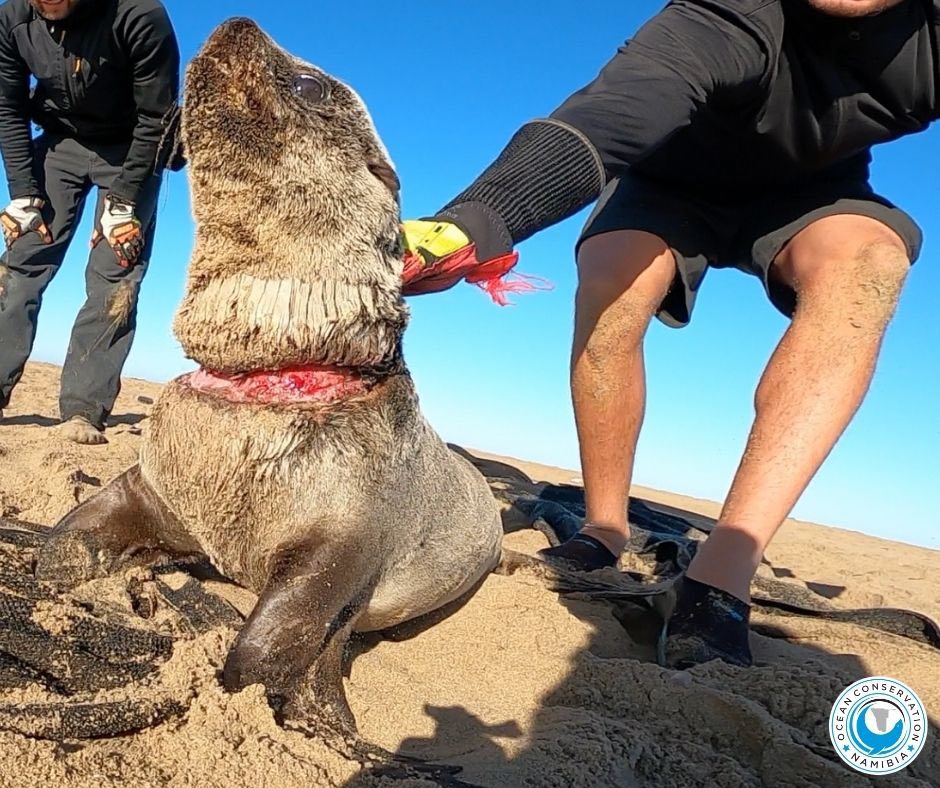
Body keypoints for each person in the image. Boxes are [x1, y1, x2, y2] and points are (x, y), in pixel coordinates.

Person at [401, 0, 936, 668]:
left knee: (870, 265)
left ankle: (723, 575)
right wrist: (475, 221)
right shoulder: (737, 12)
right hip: (667, 180)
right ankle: (603, 527)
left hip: (815, 193)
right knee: (614, 278)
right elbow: (611, 114)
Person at [0, 0, 180, 444]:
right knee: (23, 259)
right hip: (59, 141)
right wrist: (23, 192)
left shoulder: (139, 16)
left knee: (115, 275)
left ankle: (84, 409)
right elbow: (8, 107)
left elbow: (157, 117)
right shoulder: (12, 19)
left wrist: (124, 201)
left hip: (131, 149)